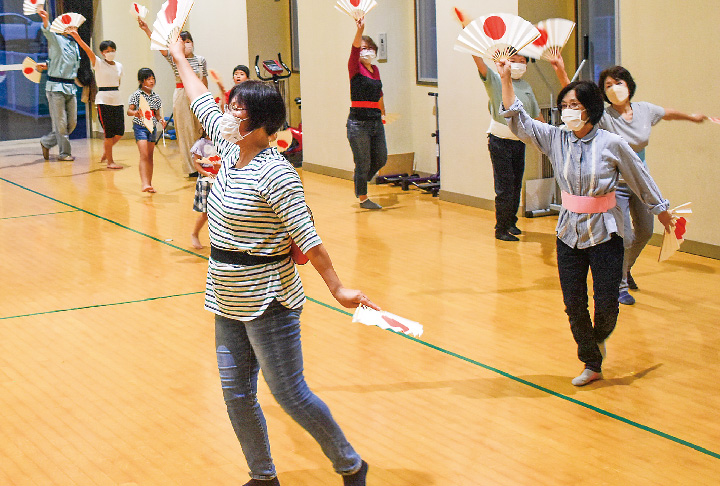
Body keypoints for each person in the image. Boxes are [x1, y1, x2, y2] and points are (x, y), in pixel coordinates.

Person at [168, 38, 375, 485]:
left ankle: (351, 464)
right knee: (236, 394)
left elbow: (310, 241)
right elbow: (199, 95)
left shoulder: (277, 172)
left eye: (238, 111)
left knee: (289, 394)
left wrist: (338, 288)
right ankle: (263, 477)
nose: (227, 115)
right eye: (230, 106)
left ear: (261, 124)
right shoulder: (230, 150)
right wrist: (178, 55)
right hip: (225, 294)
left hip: (269, 298)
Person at [496, 59, 673, 386]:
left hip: (606, 234)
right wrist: (506, 79)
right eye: (564, 106)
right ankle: (591, 361)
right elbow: (518, 121)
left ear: (590, 109)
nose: (567, 111)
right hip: (568, 235)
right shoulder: (555, 138)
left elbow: (640, 177)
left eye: (574, 105)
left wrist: (661, 210)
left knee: (606, 306)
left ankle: (598, 338)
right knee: (573, 304)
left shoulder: (612, 143)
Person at [596, 66, 706, 305]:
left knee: (645, 231)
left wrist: (692, 117)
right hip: (616, 183)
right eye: (608, 85)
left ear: (628, 85)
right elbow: (580, 102)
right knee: (623, 236)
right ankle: (618, 286)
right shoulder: (604, 117)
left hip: (640, 182)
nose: (614, 88)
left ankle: (625, 270)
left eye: (618, 82)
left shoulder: (644, 110)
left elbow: (667, 113)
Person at [469, 51, 542, 240]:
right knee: (505, 186)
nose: (518, 64)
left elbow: (536, 115)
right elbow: (479, 62)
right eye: (514, 61)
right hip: (499, 141)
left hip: (519, 142)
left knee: (516, 183)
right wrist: (473, 47)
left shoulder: (526, 86)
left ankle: (511, 222)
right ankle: (500, 228)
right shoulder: (494, 79)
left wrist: (548, 138)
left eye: (522, 61)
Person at [137, 19, 208, 177]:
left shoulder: (201, 60)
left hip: (198, 95)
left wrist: (206, 96)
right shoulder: (175, 58)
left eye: (189, 41)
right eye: (183, 42)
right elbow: (160, 48)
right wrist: (147, 29)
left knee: (200, 130)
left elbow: (204, 80)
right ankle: (192, 169)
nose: (186, 44)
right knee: (185, 132)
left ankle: (203, 163)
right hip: (182, 95)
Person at [347, 17, 387, 210]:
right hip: (358, 122)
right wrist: (359, 31)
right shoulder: (355, 68)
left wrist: (384, 112)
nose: (365, 51)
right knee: (363, 160)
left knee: (381, 158)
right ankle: (363, 197)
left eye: (368, 47)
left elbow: (379, 93)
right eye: (362, 48)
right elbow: (354, 50)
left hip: (375, 120)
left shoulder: (376, 70)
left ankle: (359, 180)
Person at [69, 34, 124, 169]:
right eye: (107, 50)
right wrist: (77, 37)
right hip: (103, 99)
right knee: (109, 133)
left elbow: (119, 81)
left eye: (112, 50)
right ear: (102, 53)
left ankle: (107, 150)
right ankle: (110, 162)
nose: (110, 53)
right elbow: (87, 50)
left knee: (120, 132)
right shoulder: (98, 63)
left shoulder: (119, 66)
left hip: (117, 98)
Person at [37, 8, 81, 162]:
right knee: (61, 124)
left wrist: (49, 64)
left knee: (72, 123)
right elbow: (48, 32)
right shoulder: (56, 39)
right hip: (55, 87)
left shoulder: (75, 45)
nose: (73, 29)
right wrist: (45, 20)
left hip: (70, 87)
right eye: (69, 27)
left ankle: (46, 142)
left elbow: (66, 63)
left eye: (74, 27)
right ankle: (64, 153)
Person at [127, 68, 165, 193]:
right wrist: (136, 113)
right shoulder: (136, 95)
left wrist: (161, 121)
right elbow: (129, 111)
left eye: (153, 79)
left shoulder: (156, 97)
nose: (151, 81)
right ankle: (144, 183)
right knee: (143, 154)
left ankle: (149, 183)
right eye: (148, 79)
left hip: (152, 128)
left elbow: (157, 115)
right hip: (140, 127)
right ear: (141, 81)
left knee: (150, 156)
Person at [190, 131, 220, 249]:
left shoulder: (221, 142)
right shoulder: (200, 144)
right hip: (206, 179)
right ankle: (195, 234)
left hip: (219, 178)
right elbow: (197, 164)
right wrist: (206, 173)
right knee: (206, 213)